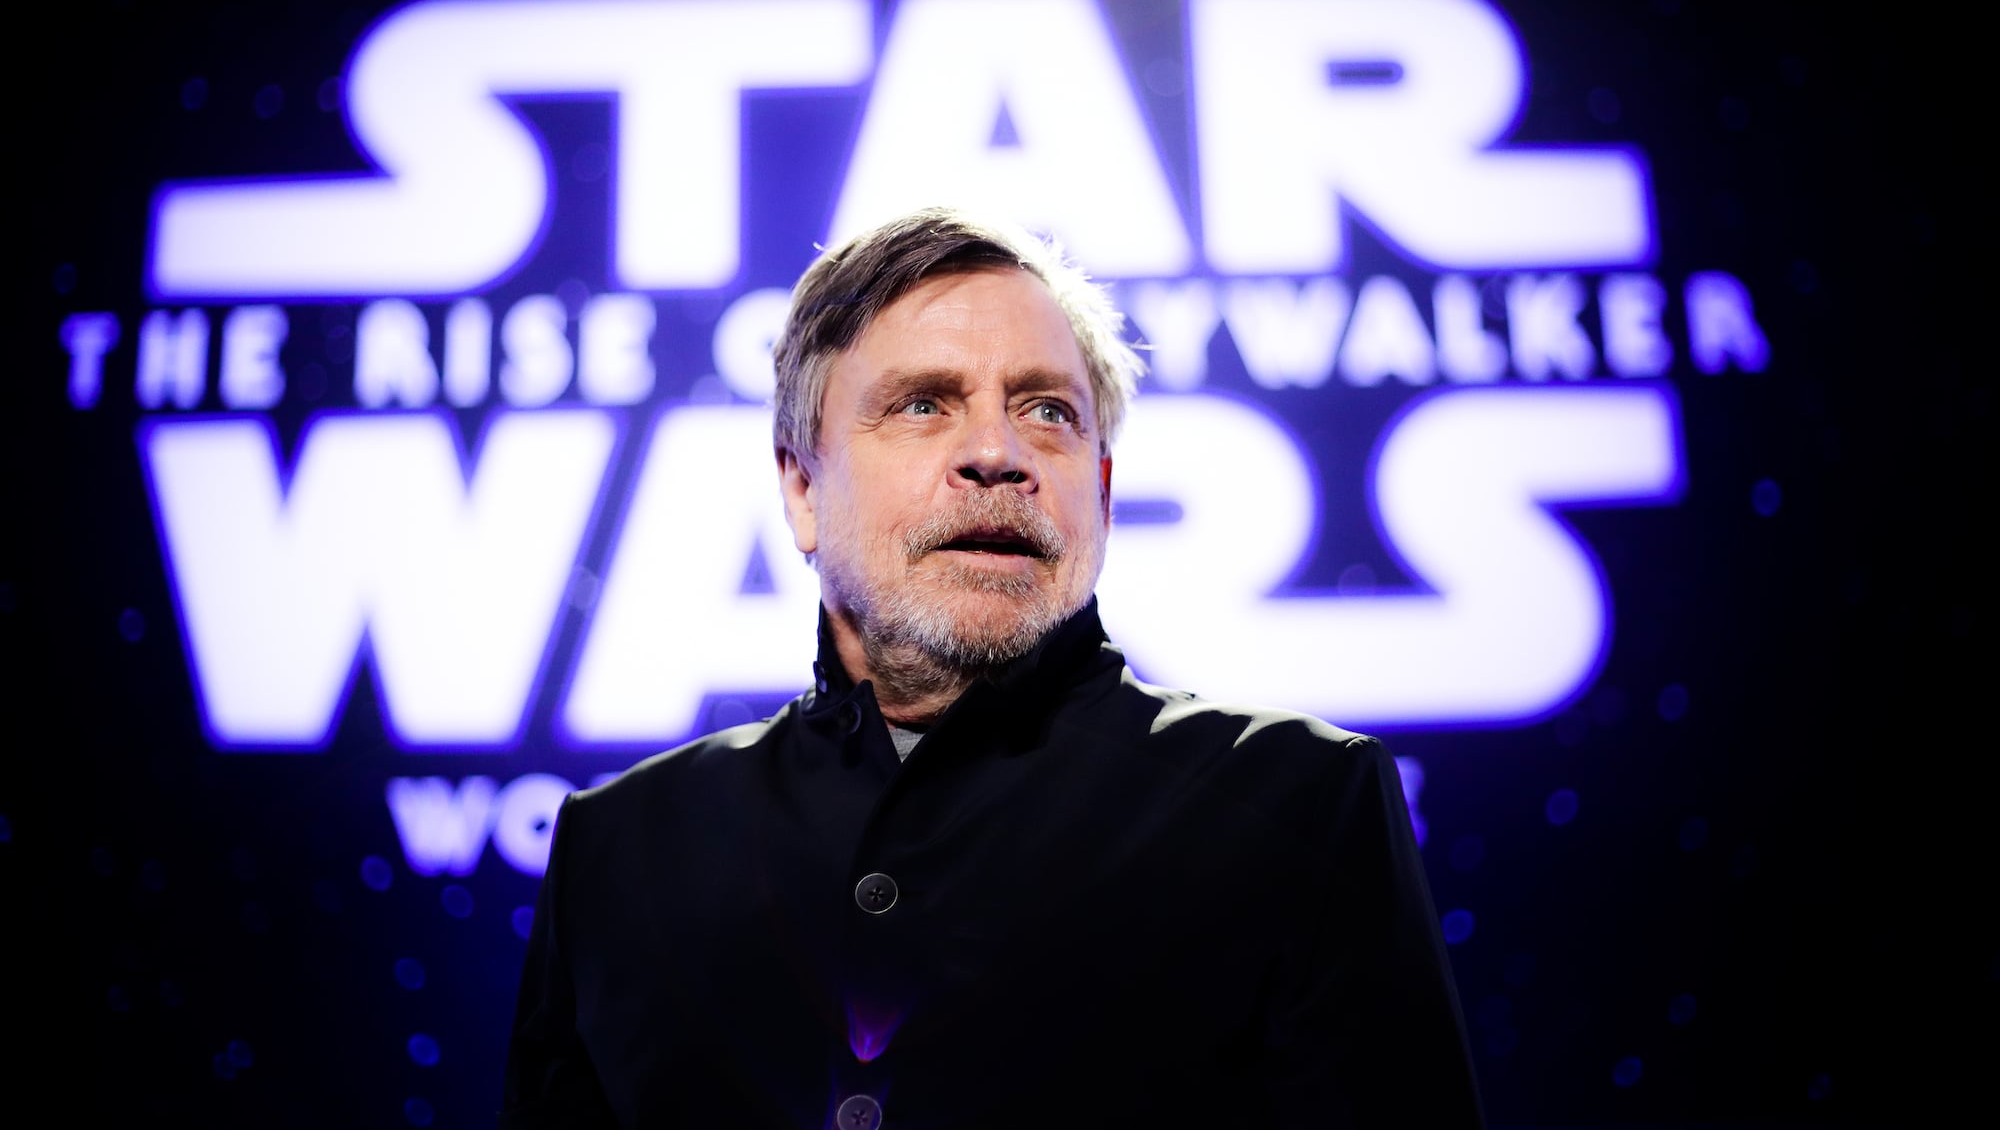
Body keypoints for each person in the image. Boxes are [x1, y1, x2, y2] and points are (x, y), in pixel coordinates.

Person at [502, 207, 1484, 1129]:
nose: (995, 453)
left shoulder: (1300, 805)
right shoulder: (617, 851)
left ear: (1101, 491)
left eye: (1047, 410)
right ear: (801, 487)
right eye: (923, 403)